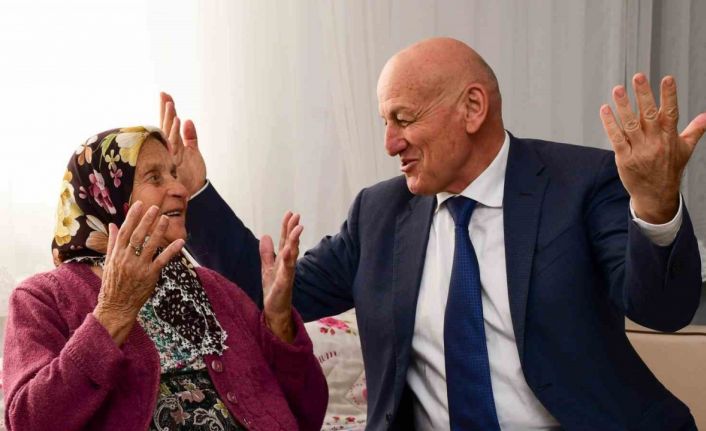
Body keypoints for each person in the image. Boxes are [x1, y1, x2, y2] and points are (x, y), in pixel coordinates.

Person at [175, 37, 704, 430]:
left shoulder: (580, 184)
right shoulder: (378, 214)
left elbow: (663, 310)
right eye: (385, 122)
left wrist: (655, 205)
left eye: (403, 119)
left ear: (472, 108)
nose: (389, 143)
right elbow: (269, 289)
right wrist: (195, 194)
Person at [2, 127, 327, 430]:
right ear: (106, 195)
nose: (180, 189)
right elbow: (29, 420)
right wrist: (113, 313)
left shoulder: (215, 288)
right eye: (155, 177)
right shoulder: (41, 298)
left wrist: (279, 320)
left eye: (174, 174)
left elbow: (310, 412)